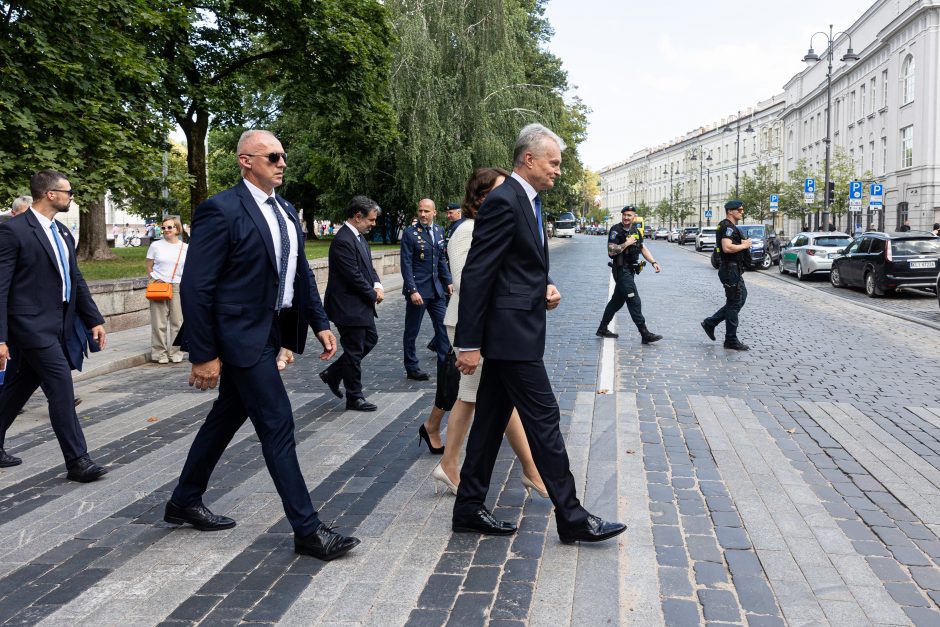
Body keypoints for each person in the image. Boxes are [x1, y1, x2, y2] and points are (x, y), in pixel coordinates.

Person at [164, 129, 358, 562]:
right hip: (236, 336)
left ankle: (184, 499)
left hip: (269, 331)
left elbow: (299, 273)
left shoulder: (286, 210)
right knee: (277, 424)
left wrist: (320, 323)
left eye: (283, 155)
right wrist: (203, 354)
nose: (282, 162)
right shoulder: (220, 209)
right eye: (272, 156)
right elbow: (196, 287)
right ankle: (307, 530)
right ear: (245, 161)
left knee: (225, 417)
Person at [452, 123, 625, 544]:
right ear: (528, 160)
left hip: (520, 328)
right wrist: (468, 344)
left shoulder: (529, 201)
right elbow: (477, 274)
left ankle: (468, 507)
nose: (559, 171)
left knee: (491, 422)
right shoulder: (504, 201)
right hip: (509, 337)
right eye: (554, 162)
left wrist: (541, 286)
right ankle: (572, 516)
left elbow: (516, 267)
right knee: (544, 420)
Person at [421, 167, 547, 500]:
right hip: (469, 326)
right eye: (499, 192)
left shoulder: (493, 225)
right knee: (495, 400)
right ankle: (531, 471)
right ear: (479, 197)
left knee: (475, 397)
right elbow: (467, 280)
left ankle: (449, 464)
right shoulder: (468, 230)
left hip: (490, 326)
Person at [0, 170, 108, 480]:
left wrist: (93, 319)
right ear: (50, 194)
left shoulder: (62, 232)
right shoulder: (14, 231)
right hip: (28, 326)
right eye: (68, 192)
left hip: (58, 323)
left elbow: (74, 278)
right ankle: (78, 461)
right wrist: (1, 338)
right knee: (61, 387)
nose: (71, 196)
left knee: (19, 385)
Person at [320, 196, 384, 412]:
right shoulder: (343, 241)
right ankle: (354, 397)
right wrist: (372, 294)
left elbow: (368, 268)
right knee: (355, 350)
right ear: (358, 216)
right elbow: (353, 276)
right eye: (371, 220)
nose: (373, 224)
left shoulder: (358, 237)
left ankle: (334, 373)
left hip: (359, 304)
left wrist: (378, 285)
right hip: (347, 306)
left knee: (370, 340)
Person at [400, 198, 453, 381]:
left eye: (426, 211)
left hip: (436, 290)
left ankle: (445, 365)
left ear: (434, 213)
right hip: (419, 292)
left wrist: (448, 282)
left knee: (443, 327)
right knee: (412, 331)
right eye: (420, 211)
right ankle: (412, 367)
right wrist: (412, 290)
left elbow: (440, 260)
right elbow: (406, 265)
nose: (422, 214)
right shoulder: (410, 233)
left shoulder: (438, 231)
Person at [595, 205, 662, 343]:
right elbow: (611, 251)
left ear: (634, 217)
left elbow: (642, 248)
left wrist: (653, 262)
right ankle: (645, 333)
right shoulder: (615, 230)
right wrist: (626, 243)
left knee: (616, 302)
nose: (626, 217)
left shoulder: (635, 230)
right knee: (634, 301)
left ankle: (602, 328)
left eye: (629, 215)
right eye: (624, 215)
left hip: (631, 271)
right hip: (621, 271)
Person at [701, 200, 752, 351]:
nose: (742, 212)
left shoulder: (730, 226)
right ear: (731, 211)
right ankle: (730, 339)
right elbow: (727, 247)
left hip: (734, 269)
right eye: (740, 210)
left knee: (740, 298)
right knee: (734, 303)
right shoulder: (727, 227)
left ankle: (711, 323)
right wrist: (745, 245)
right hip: (730, 269)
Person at [145, 216, 187, 364]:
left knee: (178, 322)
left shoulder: (185, 248)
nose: (166, 230)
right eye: (164, 228)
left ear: (177, 229)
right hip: (159, 286)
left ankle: (176, 352)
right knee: (159, 322)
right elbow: (149, 266)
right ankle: (159, 353)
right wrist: (153, 279)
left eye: (170, 227)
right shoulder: (156, 246)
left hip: (177, 286)